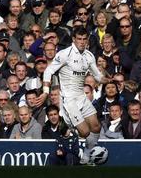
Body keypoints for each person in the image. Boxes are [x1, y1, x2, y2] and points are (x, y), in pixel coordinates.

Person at [42, 27, 110, 164]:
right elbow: (49, 70)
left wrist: (109, 80)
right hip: (69, 99)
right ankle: (66, 127)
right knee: (84, 132)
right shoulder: (65, 54)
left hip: (81, 97)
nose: (82, 42)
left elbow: (98, 76)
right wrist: (45, 91)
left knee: (96, 127)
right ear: (73, 39)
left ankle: (86, 155)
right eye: (79, 39)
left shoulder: (89, 56)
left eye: (84, 39)